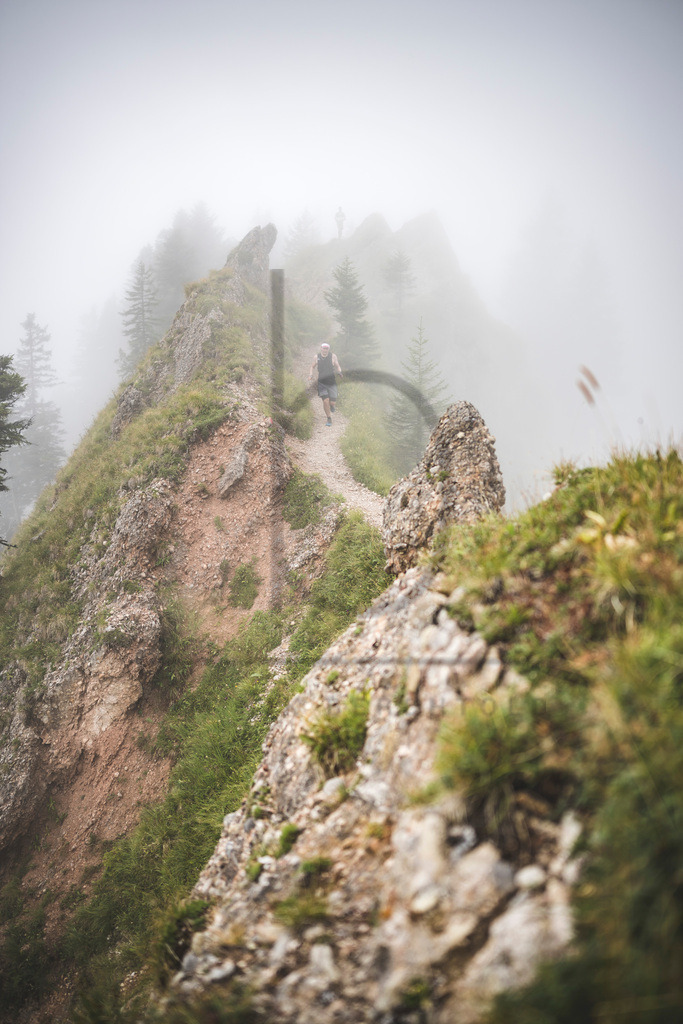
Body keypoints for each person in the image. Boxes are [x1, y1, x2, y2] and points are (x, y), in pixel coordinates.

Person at [308, 342, 342, 426]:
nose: (325, 350)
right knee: (325, 400)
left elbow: (337, 366)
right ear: (321, 348)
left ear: (328, 349)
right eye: (324, 348)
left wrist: (339, 372)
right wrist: (311, 375)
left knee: (332, 403)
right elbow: (312, 366)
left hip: (331, 382)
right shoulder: (317, 357)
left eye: (326, 348)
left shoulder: (333, 356)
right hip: (321, 382)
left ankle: (332, 406)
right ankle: (329, 418)